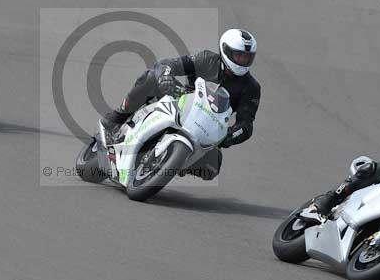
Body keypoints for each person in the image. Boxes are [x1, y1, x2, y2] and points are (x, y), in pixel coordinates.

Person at [100, 28, 261, 180]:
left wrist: (229, 136)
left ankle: (171, 165)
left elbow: (246, 124)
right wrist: (165, 77)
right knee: (150, 77)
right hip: (183, 102)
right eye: (239, 56)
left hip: (208, 128)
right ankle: (117, 118)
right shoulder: (207, 59)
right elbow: (170, 64)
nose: (243, 61)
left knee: (212, 167)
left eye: (247, 57)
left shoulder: (251, 88)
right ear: (226, 51)